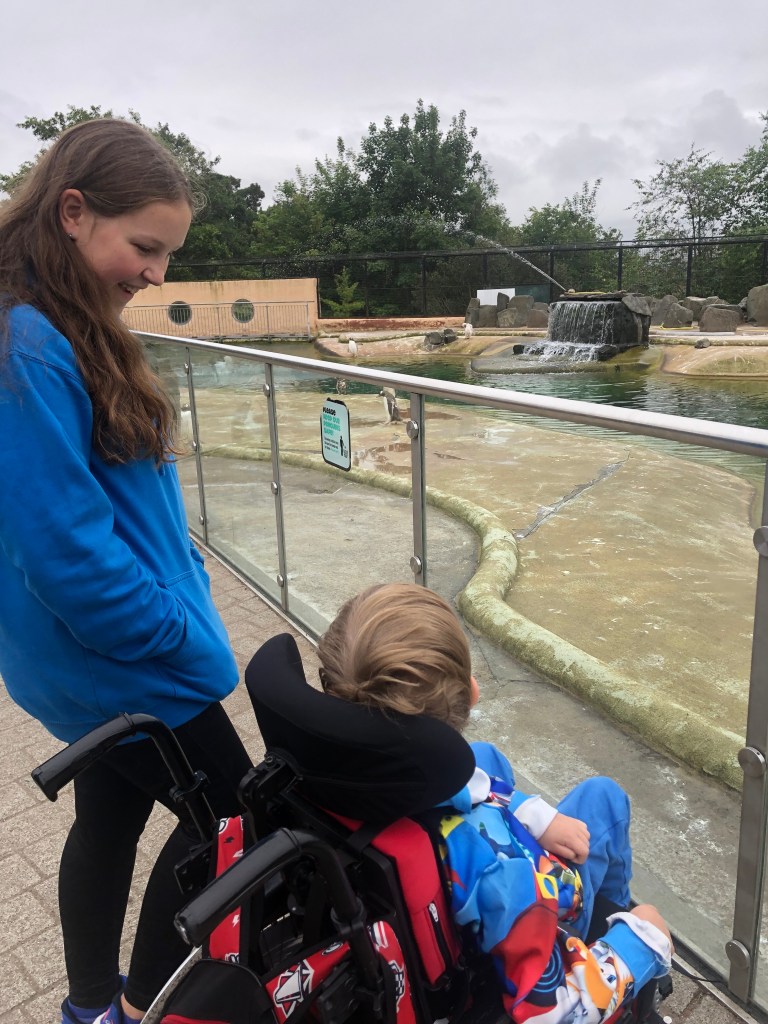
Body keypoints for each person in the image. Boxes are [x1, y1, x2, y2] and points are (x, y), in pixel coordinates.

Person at [0, 119, 252, 1024]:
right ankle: (154, 1003)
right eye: (145, 247)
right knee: (235, 830)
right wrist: (178, 632)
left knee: (106, 821)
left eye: (168, 253)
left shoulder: (61, 319)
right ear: (73, 212)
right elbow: (64, 554)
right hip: (134, 667)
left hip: (101, 665)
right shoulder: (28, 341)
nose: (157, 274)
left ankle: (93, 1009)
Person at [317, 583, 673, 1024]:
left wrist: (532, 812)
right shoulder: (499, 871)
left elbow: (474, 779)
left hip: (419, 858)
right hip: (523, 913)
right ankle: (609, 922)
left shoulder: (321, 770)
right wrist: (643, 941)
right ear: (471, 693)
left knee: (484, 755)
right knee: (604, 798)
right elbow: (550, 1015)